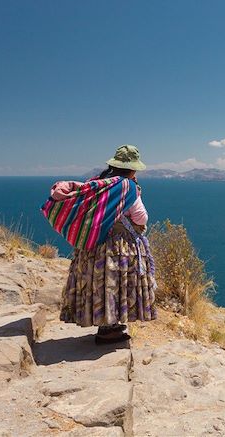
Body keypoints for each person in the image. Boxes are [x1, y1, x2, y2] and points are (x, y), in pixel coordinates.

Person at [42, 145, 156, 344]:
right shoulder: (126, 187)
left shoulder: (97, 184)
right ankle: (109, 329)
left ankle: (103, 323)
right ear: (132, 169)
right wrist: (134, 193)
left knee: (97, 282)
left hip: (93, 244)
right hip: (117, 247)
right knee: (115, 283)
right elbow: (141, 217)